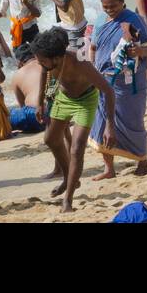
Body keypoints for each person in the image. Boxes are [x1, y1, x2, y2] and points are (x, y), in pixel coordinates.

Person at [33, 27, 116, 213]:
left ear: (57, 57)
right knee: (50, 139)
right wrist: (40, 102)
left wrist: (110, 125)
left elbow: (108, 91)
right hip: (64, 97)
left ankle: (68, 200)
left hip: (86, 100)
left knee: (77, 148)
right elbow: (43, 73)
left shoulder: (79, 62)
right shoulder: (47, 62)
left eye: (42, 60)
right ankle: (69, 178)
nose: (39, 62)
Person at [91, 0, 147, 180]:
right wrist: (91, 67)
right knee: (102, 122)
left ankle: (142, 161)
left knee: (132, 122)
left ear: (122, 3)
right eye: (106, 7)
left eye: (113, 6)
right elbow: (93, 46)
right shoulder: (101, 20)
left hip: (129, 83)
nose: (110, 10)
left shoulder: (133, 19)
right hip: (104, 79)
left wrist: (139, 51)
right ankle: (108, 168)